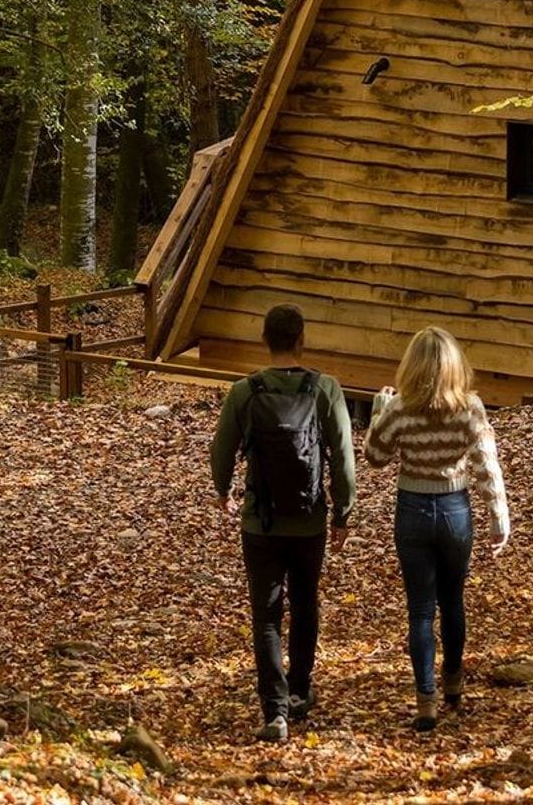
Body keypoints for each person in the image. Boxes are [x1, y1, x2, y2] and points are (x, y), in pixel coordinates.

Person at [211, 302, 356, 744]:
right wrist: (342, 512)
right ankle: (300, 690)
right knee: (306, 604)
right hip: (309, 520)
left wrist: (224, 491)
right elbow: (344, 456)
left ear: (265, 340)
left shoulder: (245, 391)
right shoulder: (325, 389)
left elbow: (221, 450)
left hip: (261, 522)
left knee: (267, 616)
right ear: (301, 339)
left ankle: (274, 710)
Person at [365, 326, 509, 732]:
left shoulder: (400, 409)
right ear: (454, 366)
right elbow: (486, 466)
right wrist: (499, 519)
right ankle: (453, 681)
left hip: (412, 510)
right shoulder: (470, 408)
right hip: (454, 509)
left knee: (420, 610)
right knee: (453, 601)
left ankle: (425, 699)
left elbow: (375, 456)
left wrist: (379, 410)